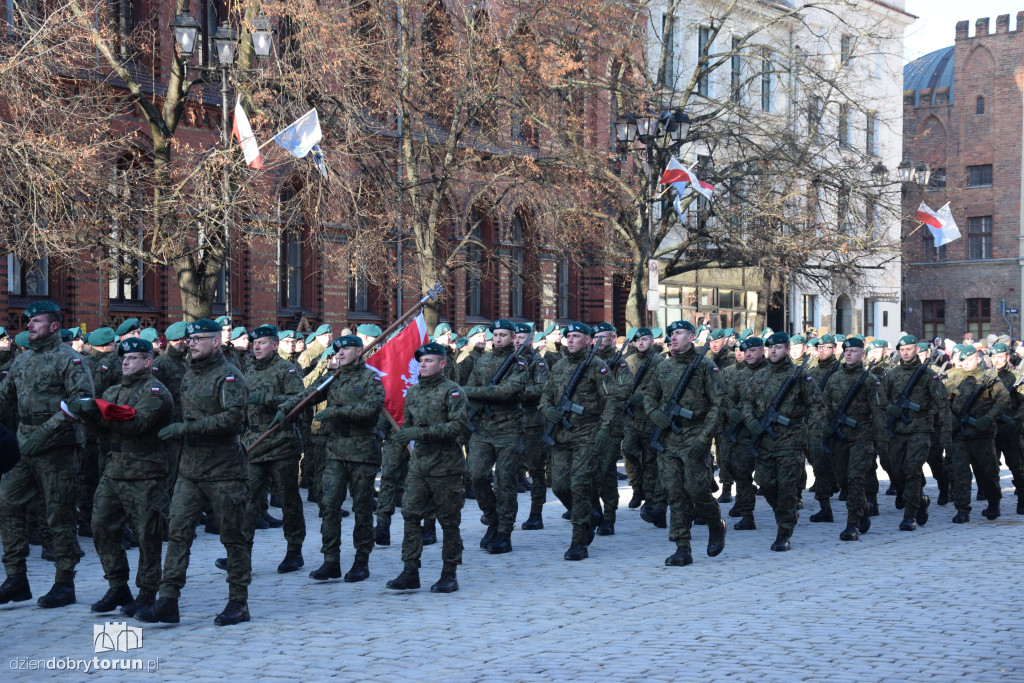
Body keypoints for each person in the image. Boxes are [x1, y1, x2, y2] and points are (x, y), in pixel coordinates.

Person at [139, 318, 250, 626]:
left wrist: (186, 429)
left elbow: (233, 421)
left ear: (216, 342)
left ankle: (238, 602)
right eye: (190, 339)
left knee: (233, 537)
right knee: (177, 533)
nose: (191, 343)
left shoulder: (229, 376)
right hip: (191, 469)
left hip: (225, 470)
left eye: (199, 339)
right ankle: (168, 600)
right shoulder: (190, 372)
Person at [0, 300, 94, 608]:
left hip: (57, 448)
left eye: (36, 321)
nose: (28, 325)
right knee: (7, 502)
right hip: (23, 446)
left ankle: (64, 582)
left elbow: (80, 402)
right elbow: (5, 400)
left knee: (59, 514)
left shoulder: (70, 360)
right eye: (28, 321)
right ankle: (16, 577)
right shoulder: (21, 362)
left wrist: (45, 432)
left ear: (53, 326)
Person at [77, 337, 173, 615]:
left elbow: (137, 424)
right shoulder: (113, 391)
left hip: (145, 471)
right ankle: (118, 585)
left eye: (133, 358)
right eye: (124, 359)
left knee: (147, 534)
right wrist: (87, 415)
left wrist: (100, 414)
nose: (127, 362)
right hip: (114, 469)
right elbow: (98, 433)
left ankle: (147, 591)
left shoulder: (155, 392)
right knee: (101, 527)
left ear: (148, 361)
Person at [281, 334, 384, 582]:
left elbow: (373, 407)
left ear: (358, 352)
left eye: (345, 350)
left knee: (361, 508)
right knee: (329, 506)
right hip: (336, 451)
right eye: (337, 350)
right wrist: (285, 408)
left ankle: (361, 561)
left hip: (362, 451)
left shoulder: (371, 377)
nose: (339, 353)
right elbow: (309, 395)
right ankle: (331, 560)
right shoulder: (334, 377)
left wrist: (337, 411)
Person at [386, 342, 468, 593]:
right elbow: (407, 427)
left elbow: (458, 427)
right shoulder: (413, 392)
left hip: (446, 467)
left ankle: (449, 574)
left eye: (429, 361)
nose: (423, 365)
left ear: (442, 364)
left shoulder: (452, 392)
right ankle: (410, 570)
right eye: (421, 361)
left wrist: (420, 433)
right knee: (410, 514)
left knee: (448, 521)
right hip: (419, 466)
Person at [643, 320, 727, 566]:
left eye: (678, 333)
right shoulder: (664, 367)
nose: (673, 337)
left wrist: (704, 438)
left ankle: (715, 523)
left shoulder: (705, 366)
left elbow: (719, 405)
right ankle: (682, 548)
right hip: (669, 439)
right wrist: (653, 413)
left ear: (692, 337)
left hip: (695, 436)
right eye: (671, 334)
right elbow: (649, 396)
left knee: (697, 490)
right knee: (674, 493)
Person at [231, 325, 307, 575]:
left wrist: (268, 401)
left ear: (274, 345)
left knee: (288, 500)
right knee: (248, 501)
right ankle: (242, 556)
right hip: (252, 443)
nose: (256, 347)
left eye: (262, 343)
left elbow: (300, 400)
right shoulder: (248, 368)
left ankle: (294, 551)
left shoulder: (285, 369)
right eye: (254, 343)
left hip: (280, 443)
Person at [741, 331, 825, 552]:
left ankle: (784, 530)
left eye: (778, 347)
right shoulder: (759, 376)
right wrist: (751, 421)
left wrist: (813, 434)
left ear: (787, 350)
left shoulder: (800, 376)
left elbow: (817, 406)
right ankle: (784, 513)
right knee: (766, 484)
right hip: (764, 441)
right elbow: (747, 403)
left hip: (791, 439)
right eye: (771, 348)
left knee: (787, 486)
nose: (774, 351)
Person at [539, 322, 616, 561]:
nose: (570, 340)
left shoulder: (597, 366)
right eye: (568, 336)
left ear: (588, 340)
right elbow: (545, 395)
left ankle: (579, 541)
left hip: (588, 434)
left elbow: (611, 401)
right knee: (560, 486)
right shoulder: (559, 366)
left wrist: (604, 431)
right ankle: (587, 517)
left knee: (579, 484)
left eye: (576, 336)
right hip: (562, 436)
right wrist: (547, 410)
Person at [464, 320, 528, 553]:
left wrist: (476, 393)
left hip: (509, 429)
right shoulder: (482, 361)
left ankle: (504, 532)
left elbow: (508, 391)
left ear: (513, 337)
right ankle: (492, 519)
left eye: (503, 335)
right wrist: (476, 394)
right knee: (476, 476)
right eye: (496, 334)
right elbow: (469, 389)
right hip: (482, 428)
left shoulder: (518, 362)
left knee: (505, 482)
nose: (498, 338)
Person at [821, 337, 888, 541]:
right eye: (847, 351)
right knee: (843, 481)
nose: (849, 354)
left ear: (862, 354)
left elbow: (879, 412)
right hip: (840, 439)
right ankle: (863, 506)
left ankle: (853, 524)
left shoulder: (869, 380)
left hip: (862, 438)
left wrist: (881, 442)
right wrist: (824, 432)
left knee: (855, 478)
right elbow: (824, 409)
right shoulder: (834, 379)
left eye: (854, 351)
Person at [945, 345, 1009, 523]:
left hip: (983, 435)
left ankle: (994, 503)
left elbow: (1004, 401)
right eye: (963, 360)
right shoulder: (953, 378)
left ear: (978, 359)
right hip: (960, 436)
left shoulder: (989, 378)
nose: (966, 363)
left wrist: (988, 418)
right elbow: (943, 403)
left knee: (988, 472)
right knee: (960, 473)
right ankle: (962, 509)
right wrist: (952, 420)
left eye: (970, 359)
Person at [722, 334, 768, 530]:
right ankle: (747, 513)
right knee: (740, 471)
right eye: (745, 351)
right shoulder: (738, 374)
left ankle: (785, 510)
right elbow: (726, 397)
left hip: (768, 432)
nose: (747, 354)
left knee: (769, 479)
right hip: (742, 433)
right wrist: (731, 410)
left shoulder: (771, 372)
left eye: (752, 351)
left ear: (762, 351)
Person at [591, 322, 631, 536]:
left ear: (613, 338)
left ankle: (609, 516)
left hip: (611, 426)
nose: (599, 340)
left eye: (603, 337)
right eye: (595, 336)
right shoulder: (588, 362)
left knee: (605, 472)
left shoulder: (620, 364)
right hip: (586, 426)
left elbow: (624, 390)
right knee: (587, 473)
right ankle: (594, 511)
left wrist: (604, 389)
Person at [622, 328, 666, 521]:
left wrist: (645, 395)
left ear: (652, 341)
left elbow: (663, 387)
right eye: (638, 340)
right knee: (629, 452)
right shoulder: (628, 362)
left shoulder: (659, 362)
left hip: (649, 418)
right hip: (630, 419)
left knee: (650, 459)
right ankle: (636, 487)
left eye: (645, 339)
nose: (641, 343)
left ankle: (649, 497)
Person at [514, 323, 551, 530]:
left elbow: (543, 387)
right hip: (508, 422)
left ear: (531, 338)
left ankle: (536, 513)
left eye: (522, 337)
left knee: (536, 470)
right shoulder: (508, 360)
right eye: (516, 337)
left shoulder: (537, 361)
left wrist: (517, 392)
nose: (518, 340)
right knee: (507, 471)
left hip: (532, 422)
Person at [990, 343, 1024, 514]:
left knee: (1016, 466)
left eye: (1000, 357)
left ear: (1007, 358)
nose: (997, 361)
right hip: (991, 430)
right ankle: (994, 503)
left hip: (1011, 430)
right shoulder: (986, 377)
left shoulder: (1016, 377)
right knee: (990, 468)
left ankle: (1022, 498)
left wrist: (1015, 421)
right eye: (994, 357)